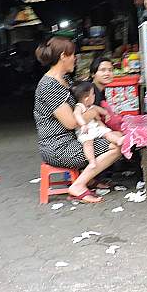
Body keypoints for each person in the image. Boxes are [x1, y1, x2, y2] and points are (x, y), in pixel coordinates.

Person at [33, 37, 122, 203]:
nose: (75, 58)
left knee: (118, 135)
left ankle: (88, 178)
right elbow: (71, 122)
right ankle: (79, 185)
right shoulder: (49, 86)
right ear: (63, 56)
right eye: (73, 54)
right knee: (117, 146)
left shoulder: (65, 80)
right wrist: (94, 110)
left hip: (75, 139)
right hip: (58, 147)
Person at [71, 81, 124, 169]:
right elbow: (77, 115)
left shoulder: (91, 106)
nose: (94, 96)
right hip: (85, 130)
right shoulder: (79, 106)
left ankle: (118, 140)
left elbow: (100, 110)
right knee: (88, 144)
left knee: (107, 133)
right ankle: (91, 161)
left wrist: (106, 114)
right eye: (93, 94)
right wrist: (83, 124)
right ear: (86, 98)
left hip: (96, 128)